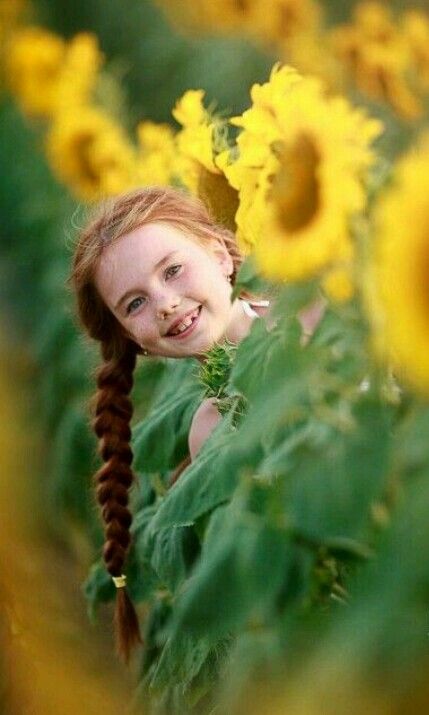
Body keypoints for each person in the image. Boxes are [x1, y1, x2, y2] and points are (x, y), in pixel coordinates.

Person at [68, 184, 324, 662]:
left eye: (172, 270)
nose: (164, 302)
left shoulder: (318, 320)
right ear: (132, 340)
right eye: (135, 304)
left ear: (222, 254)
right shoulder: (211, 432)